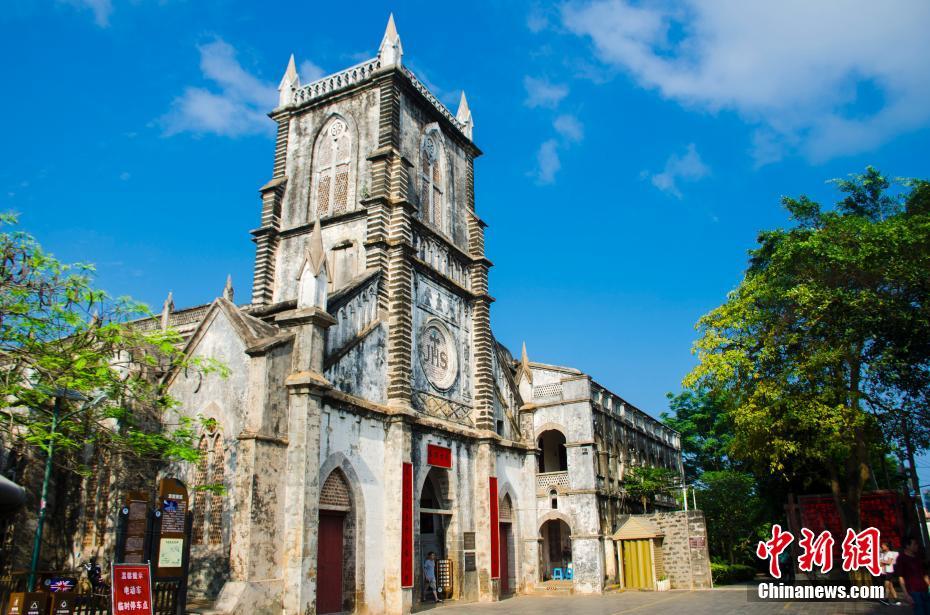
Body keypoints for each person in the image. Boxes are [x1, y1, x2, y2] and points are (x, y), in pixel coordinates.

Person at [895, 537, 930, 614]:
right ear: (907, 546)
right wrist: (906, 594)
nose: (916, 546)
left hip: (925, 589)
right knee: (920, 611)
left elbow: (924, 574)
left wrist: (929, 585)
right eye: (914, 544)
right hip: (913, 591)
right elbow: (901, 577)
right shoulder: (901, 558)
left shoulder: (917, 557)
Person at [881, 541, 902, 606]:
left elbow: (889, 562)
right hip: (886, 571)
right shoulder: (884, 553)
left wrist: (882, 561)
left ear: (887, 547)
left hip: (890, 571)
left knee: (886, 585)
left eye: (884, 546)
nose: (882, 547)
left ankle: (886, 599)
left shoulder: (890, 553)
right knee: (891, 586)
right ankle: (897, 600)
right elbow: (883, 563)